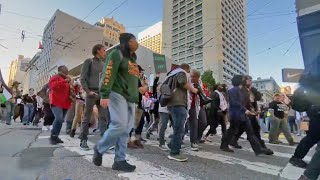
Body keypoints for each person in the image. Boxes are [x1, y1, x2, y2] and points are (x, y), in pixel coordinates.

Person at [92, 33, 140, 172]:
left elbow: (131, 77)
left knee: (126, 129)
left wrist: (139, 88)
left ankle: (119, 160)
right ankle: (99, 148)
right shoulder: (116, 53)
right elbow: (108, 72)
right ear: (126, 42)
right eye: (133, 41)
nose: (135, 43)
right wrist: (105, 93)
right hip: (117, 93)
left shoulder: (132, 59)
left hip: (131, 97)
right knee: (119, 124)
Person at [220, 75, 268, 155]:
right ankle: (224, 145)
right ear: (239, 81)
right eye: (242, 79)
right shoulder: (232, 90)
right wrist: (245, 110)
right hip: (235, 115)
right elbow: (235, 103)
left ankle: (258, 149)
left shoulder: (240, 90)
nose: (244, 80)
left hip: (242, 115)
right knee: (231, 131)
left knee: (250, 132)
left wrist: (250, 110)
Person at [164, 63, 198, 162]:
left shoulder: (173, 73)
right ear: (186, 69)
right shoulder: (181, 72)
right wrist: (193, 89)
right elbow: (182, 82)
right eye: (189, 71)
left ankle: (171, 145)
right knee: (179, 129)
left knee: (178, 128)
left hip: (174, 103)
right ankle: (174, 153)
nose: (188, 74)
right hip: (178, 103)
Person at [79, 44, 109, 150]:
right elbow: (82, 78)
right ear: (97, 51)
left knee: (103, 117)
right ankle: (83, 140)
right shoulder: (89, 61)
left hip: (101, 94)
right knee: (87, 117)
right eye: (104, 50)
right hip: (91, 93)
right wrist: (88, 91)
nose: (105, 52)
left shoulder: (104, 64)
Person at [289, 73, 320, 168]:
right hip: (315, 112)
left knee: (312, 137)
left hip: (313, 112)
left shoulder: (304, 86)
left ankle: (297, 157)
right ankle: (296, 158)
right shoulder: (310, 86)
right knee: (312, 137)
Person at [48, 65, 73, 145]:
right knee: (58, 118)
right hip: (56, 102)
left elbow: (69, 90)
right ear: (61, 70)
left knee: (61, 120)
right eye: (66, 69)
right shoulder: (56, 77)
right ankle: (53, 136)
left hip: (65, 103)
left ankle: (56, 136)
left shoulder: (67, 79)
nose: (67, 71)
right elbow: (52, 86)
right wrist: (65, 81)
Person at [188, 69, 207, 151]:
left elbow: (202, 93)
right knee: (194, 124)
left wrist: (199, 88)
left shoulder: (199, 82)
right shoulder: (187, 80)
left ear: (198, 77)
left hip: (199, 105)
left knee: (203, 122)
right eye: (191, 76)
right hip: (190, 105)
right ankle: (193, 142)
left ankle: (198, 138)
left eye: (194, 77)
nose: (192, 78)